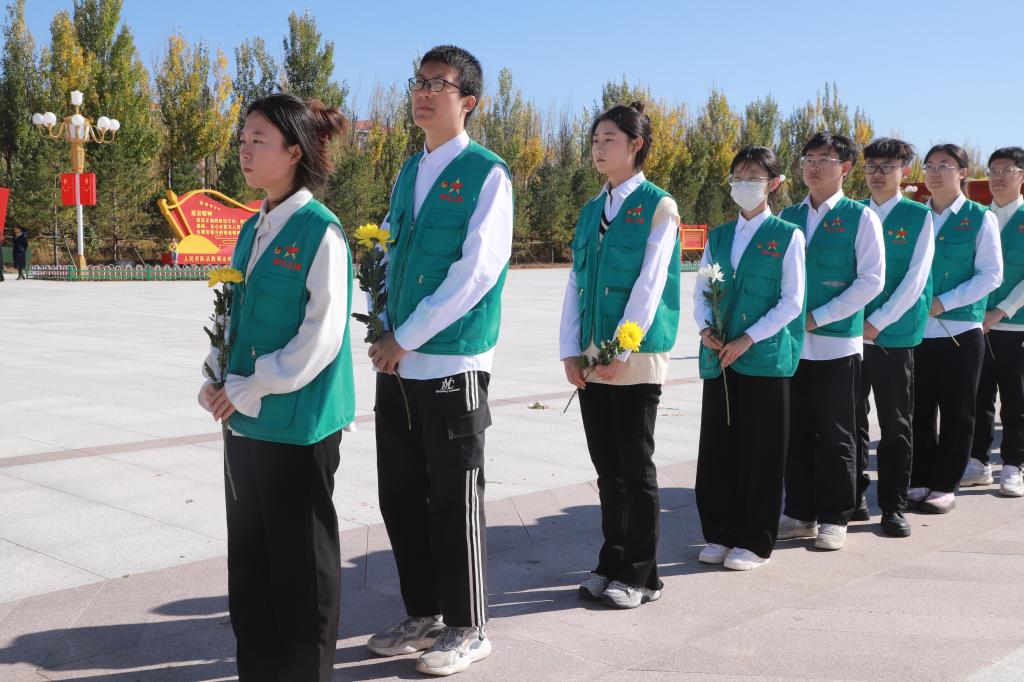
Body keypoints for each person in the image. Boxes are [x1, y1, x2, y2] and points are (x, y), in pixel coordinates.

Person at [365, 45, 513, 677]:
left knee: (455, 499)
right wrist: (380, 325)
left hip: (452, 361)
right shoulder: (409, 172)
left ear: (468, 101)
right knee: (400, 494)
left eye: (438, 84)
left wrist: (408, 335)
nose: (423, 93)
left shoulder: (487, 173)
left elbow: (476, 271)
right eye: (418, 82)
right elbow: (388, 254)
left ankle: (468, 625)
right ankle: (423, 614)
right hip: (399, 363)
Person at [197, 92, 354, 681]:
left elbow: (322, 337)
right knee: (251, 563)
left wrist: (251, 386)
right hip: (244, 419)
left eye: (258, 140)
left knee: (300, 566)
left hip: (297, 426)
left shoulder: (321, 232)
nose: (244, 150)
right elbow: (232, 315)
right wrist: (214, 377)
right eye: (242, 139)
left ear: (294, 151)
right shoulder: (252, 227)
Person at [560, 101, 681, 603]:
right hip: (593, 354)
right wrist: (570, 349)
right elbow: (576, 283)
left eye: (609, 139)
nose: (598, 148)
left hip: (635, 356)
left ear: (636, 145)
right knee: (607, 469)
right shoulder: (592, 210)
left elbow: (649, 286)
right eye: (595, 140)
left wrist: (621, 347)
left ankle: (641, 574)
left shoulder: (659, 206)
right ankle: (611, 560)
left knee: (635, 465)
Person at [694, 145, 805, 571]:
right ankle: (719, 533)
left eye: (753, 177)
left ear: (773, 184)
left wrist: (748, 338)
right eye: (737, 176)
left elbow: (792, 301)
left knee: (761, 452)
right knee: (718, 449)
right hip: (720, 357)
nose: (743, 184)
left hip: (764, 358)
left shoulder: (788, 235)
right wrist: (705, 328)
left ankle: (754, 540)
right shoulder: (720, 236)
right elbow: (702, 290)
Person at [776, 131, 885, 551]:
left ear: (846, 168)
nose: (814, 166)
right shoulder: (787, 217)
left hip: (838, 345)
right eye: (809, 158)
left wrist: (818, 317)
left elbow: (871, 280)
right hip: (792, 348)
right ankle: (799, 512)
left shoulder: (861, 217)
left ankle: (835, 516)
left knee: (838, 434)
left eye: (825, 158)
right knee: (795, 432)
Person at [911, 143, 1002, 513]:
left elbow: (991, 274)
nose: (934, 173)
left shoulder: (980, 218)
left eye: (944, 166)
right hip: (915, 331)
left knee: (957, 409)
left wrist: (944, 302)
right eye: (929, 166)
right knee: (917, 409)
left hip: (959, 330)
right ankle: (919, 477)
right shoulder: (915, 216)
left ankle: (946, 484)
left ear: (963, 172)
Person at [853, 138, 934, 537]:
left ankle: (893, 506)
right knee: (850, 419)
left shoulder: (919, 216)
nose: (878, 174)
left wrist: (879, 322)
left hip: (894, 335)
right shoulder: (854, 213)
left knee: (896, 422)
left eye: (887, 166)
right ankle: (853, 495)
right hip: (850, 333)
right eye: (872, 166)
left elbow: (915, 280)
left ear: (905, 171)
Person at [964, 147, 1024, 496]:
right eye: (993, 171)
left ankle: (1013, 465)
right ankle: (978, 462)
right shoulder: (978, 218)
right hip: (975, 324)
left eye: (1007, 170)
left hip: (1015, 324)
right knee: (977, 396)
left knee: (1016, 399)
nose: (998, 177)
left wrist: (1001, 310)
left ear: (1021, 176)